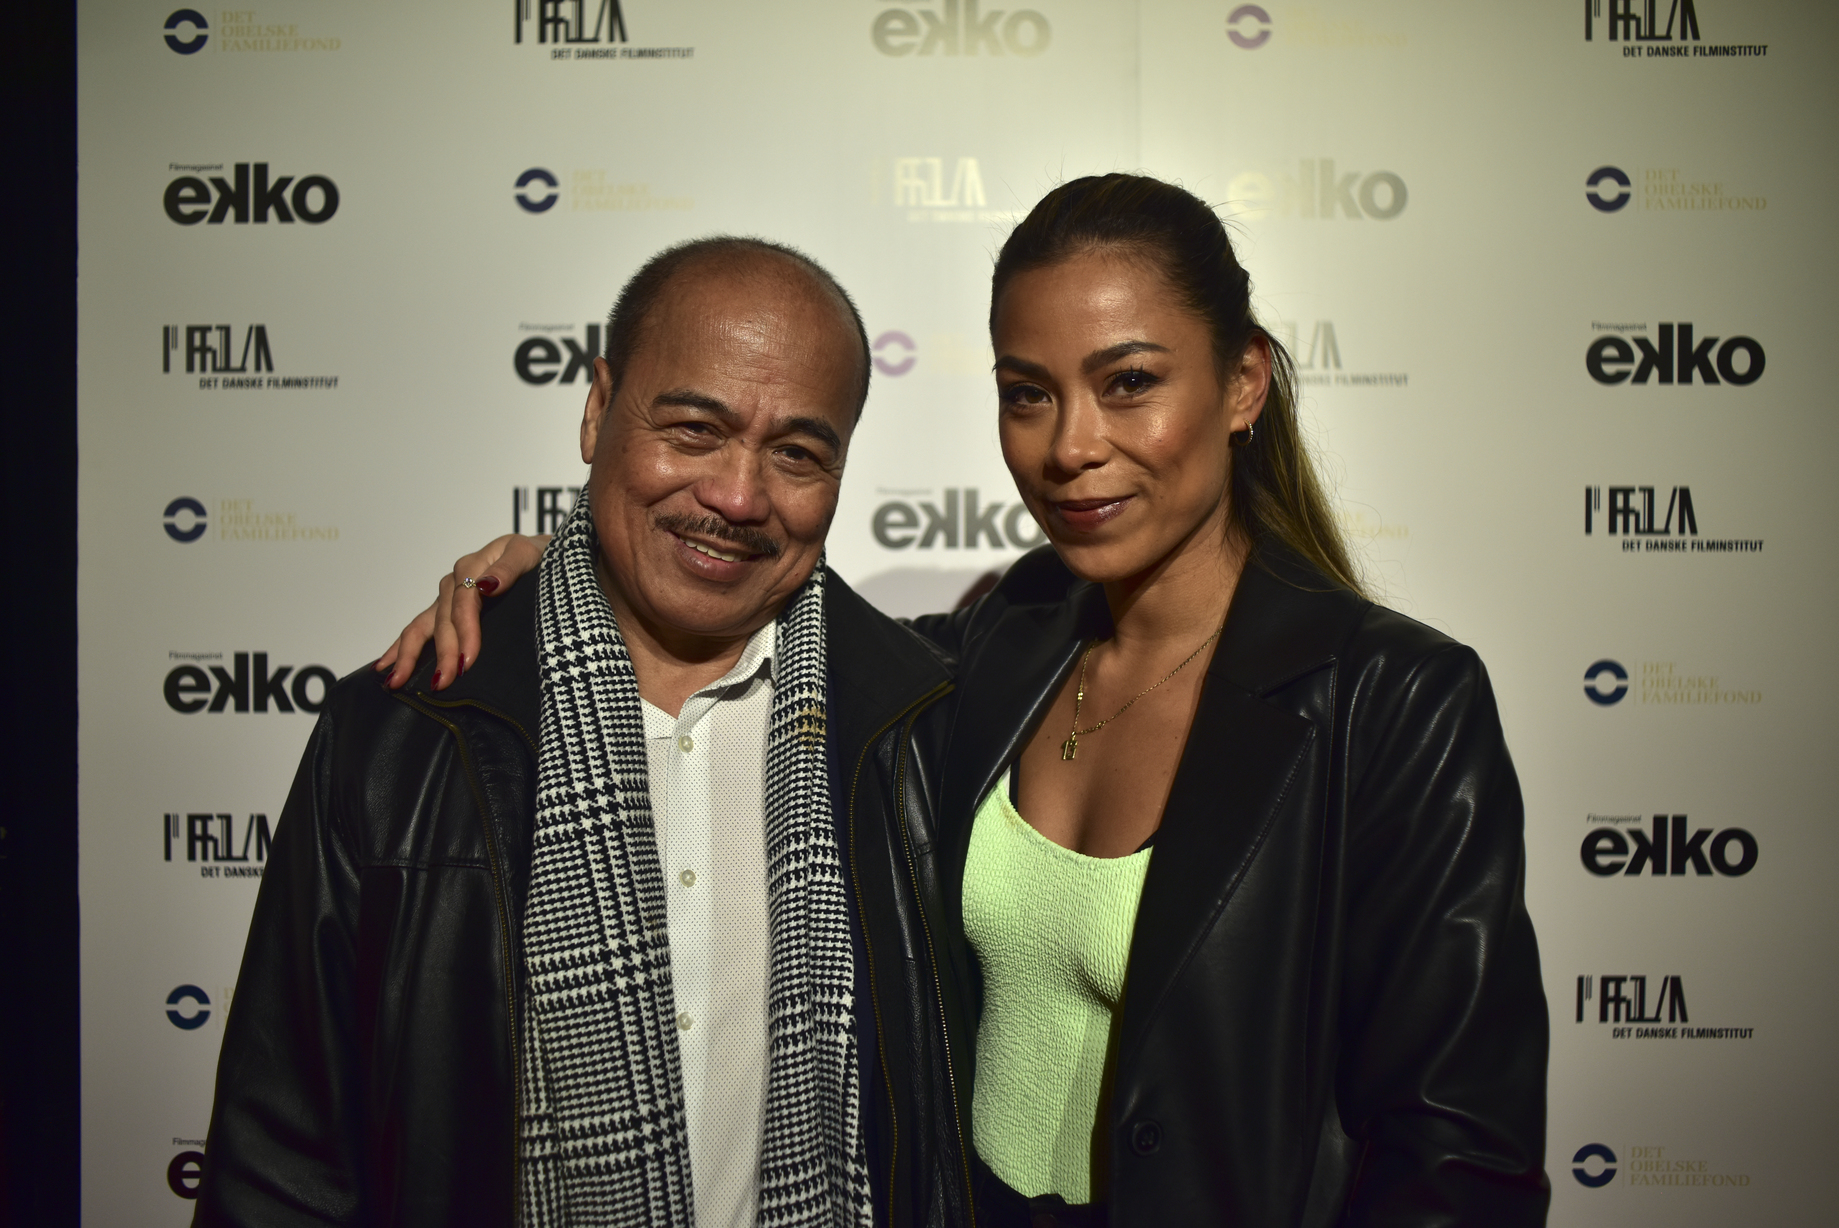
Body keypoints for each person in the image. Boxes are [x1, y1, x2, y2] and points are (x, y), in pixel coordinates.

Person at [391, 175, 1551, 1226]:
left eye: (1129, 384)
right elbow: (759, 583)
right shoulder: (998, 644)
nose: (1071, 446)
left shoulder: (1395, 702)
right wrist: (567, 572)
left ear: (1243, 380)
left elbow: (1460, 1159)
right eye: (1028, 394)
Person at [196, 238, 978, 1228]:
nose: (738, 497)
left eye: (795, 454)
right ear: (597, 408)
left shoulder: (925, 733)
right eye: (694, 430)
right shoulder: (401, 735)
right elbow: (285, 1161)